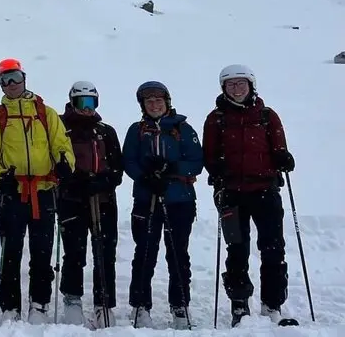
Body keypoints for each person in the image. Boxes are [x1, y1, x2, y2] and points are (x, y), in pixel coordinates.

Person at [0, 58, 74, 325]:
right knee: (11, 252)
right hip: (13, 192)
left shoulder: (45, 112)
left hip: (43, 190)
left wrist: (65, 163)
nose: (11, 84)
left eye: (15, 77)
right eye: (4, 80)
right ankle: (10, 307)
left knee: (42, 251)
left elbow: (61, 144)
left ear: (24, 78)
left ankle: (39, 304)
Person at [202, 65, 299, 327]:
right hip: (231, 192)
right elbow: (208, 154)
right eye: (231, 85)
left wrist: (283, 158)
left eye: (241, 84)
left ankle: (272, 303)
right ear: (224, 88)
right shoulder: (216, 119)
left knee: (273, 248)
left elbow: (279, 146)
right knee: (237, 249)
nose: (236, 89)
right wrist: (217, 167)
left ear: (251, 85)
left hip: (265, 190)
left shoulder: (267, 116)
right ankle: (239, 304)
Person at [122, 80, 203, 329]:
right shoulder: (137, 130)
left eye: (158, 100)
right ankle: (140, 305)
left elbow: (197, 162)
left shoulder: (183, 129)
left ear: (167, 102)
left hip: (179, 200)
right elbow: (128, 160)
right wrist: (146, 176)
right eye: (149, 101)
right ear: (143, 105)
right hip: (147, 199)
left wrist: (171, 168)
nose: (154, 105)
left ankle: (179, 305)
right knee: (145, 252)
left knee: (178, 253)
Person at [56, 81, 123, 328]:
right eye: (81, 103)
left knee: (105, 252)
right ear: (72, 102)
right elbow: (57, 161)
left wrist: (106, 181)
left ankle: (104, 303)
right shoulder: (61, 129)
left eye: (91, 103)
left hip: (102, 199)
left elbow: (117, 166)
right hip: (72, 199)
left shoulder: (105, 131)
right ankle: (72, 299)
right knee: (74, 252)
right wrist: (73, 181)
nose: (87, 108)